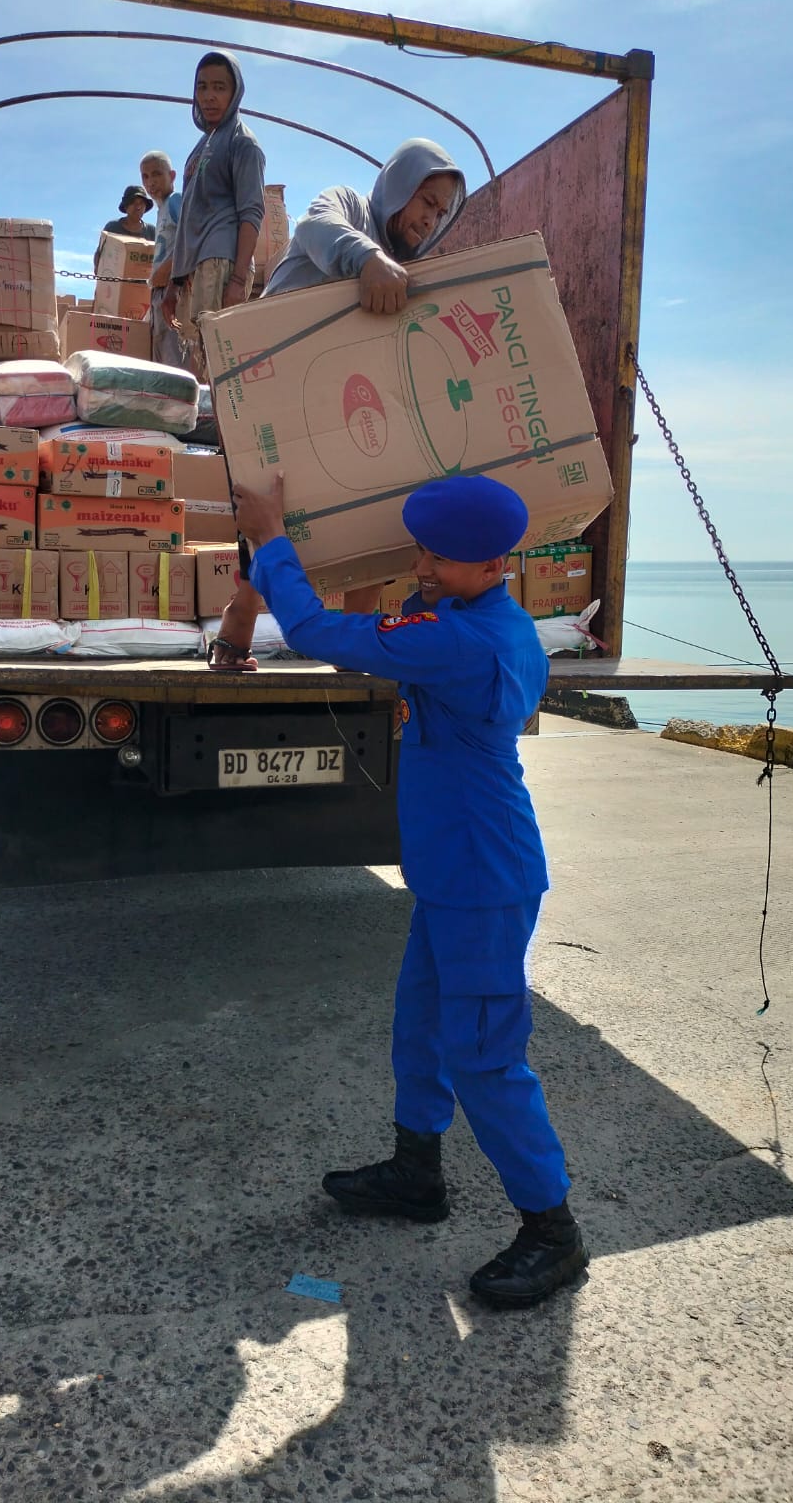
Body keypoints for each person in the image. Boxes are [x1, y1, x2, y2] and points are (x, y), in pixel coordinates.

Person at [231, 471, 588, 1309]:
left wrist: (271, 535)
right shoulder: (482, 620)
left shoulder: (462, 640)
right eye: (422, 550)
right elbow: (389, 635)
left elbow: (313, 628)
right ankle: (416, 1172)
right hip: (453, 869)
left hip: (483, 875)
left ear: (493, 564)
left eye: (440, 557)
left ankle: (553, 1231)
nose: (422, 566)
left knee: (485, 1055)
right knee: (420, 1025)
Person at [207, 138, 466, 671]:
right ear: (399, 184)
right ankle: (240, 620)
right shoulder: (348, 207)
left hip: (344, 405)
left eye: (441, 213)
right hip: (269, 391)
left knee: (380, 499)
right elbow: (313, 227)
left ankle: (355, 645)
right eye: (426, 201)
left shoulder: (411, 272)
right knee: (269, 507)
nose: (430, 219)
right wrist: (367, 259)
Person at [163, 50, 265, 383]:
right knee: (196, 363)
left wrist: (237, 280)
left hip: (221, 263)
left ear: (235, 93)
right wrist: (174, 282)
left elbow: (252, 212)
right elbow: (188, 220)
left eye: (220, 87)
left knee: (213, 365)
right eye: (202, 86)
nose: (209, 96)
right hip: (195, 269)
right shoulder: (202, 146)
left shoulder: (243, 143)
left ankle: (216, 420)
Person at [139, 149, 188, 370]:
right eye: (145, 176)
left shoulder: (176, 201)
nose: (151, 182)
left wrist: (167, 272)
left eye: (157, 174)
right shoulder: (161, 211)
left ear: (172, 176)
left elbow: (190, 238)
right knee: (161, 363)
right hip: (159, 293)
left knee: (175, 363)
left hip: (173, 291)